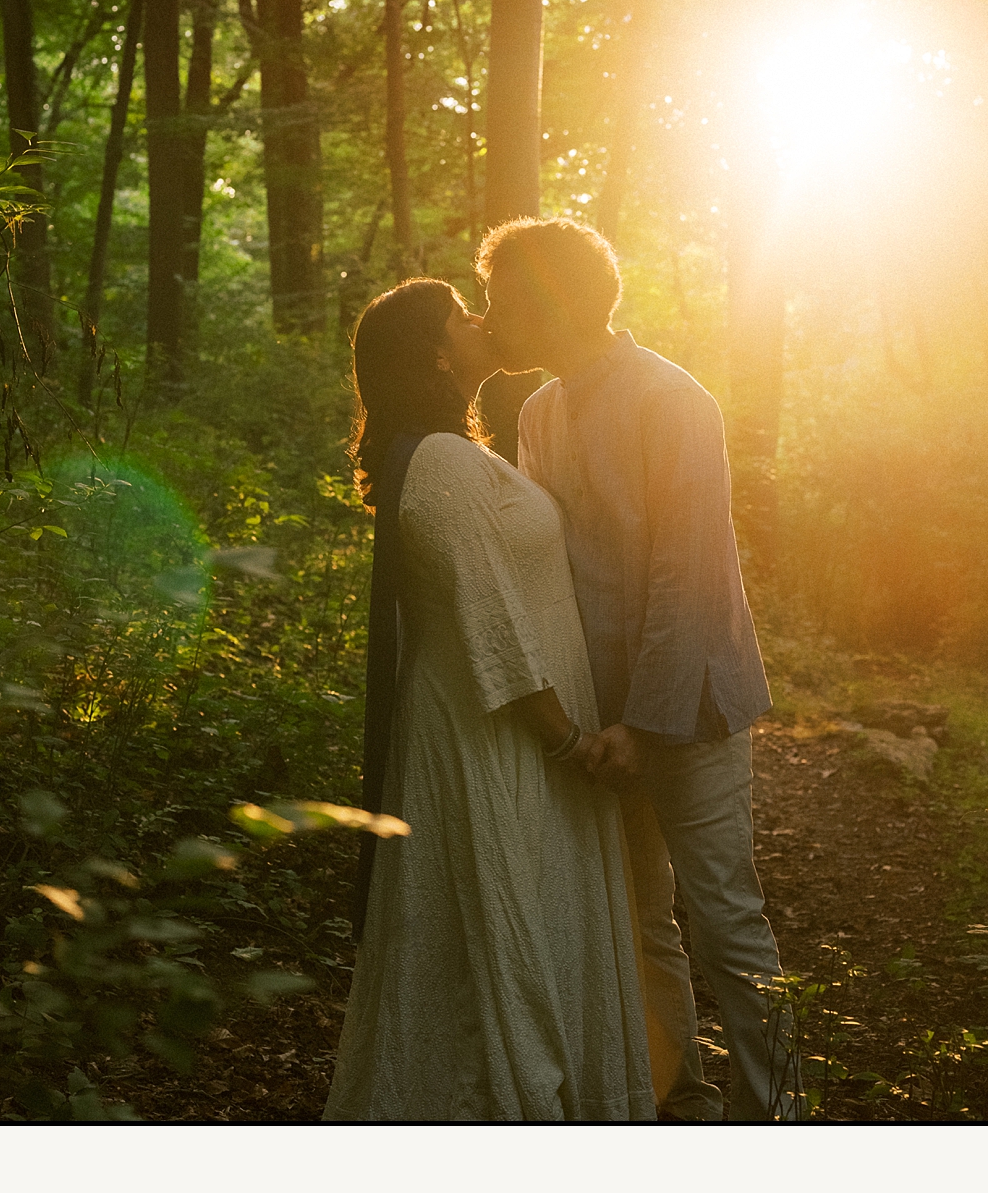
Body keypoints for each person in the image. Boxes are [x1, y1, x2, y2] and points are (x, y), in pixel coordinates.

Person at [478, 215, 792, 1122]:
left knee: (726, 919)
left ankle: (780, 1119)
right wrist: (584, 720)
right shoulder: (538, 410)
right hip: (599, 723)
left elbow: (685, 574)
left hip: (686, 711)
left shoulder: (674, 401)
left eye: (504, 300)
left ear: (551, 302)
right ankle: (676, 1099)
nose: (493, 318)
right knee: (639, 920)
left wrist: (642, 725)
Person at [324, 278, 652, 1122]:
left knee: (521, 920)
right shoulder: (436, 462)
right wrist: (571, 740)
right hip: (492, 734)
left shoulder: (456, 454)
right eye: (462, 316)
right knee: (497, 930)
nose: (481, 318)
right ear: (436, 353)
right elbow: (492, 624)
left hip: (515, 729)